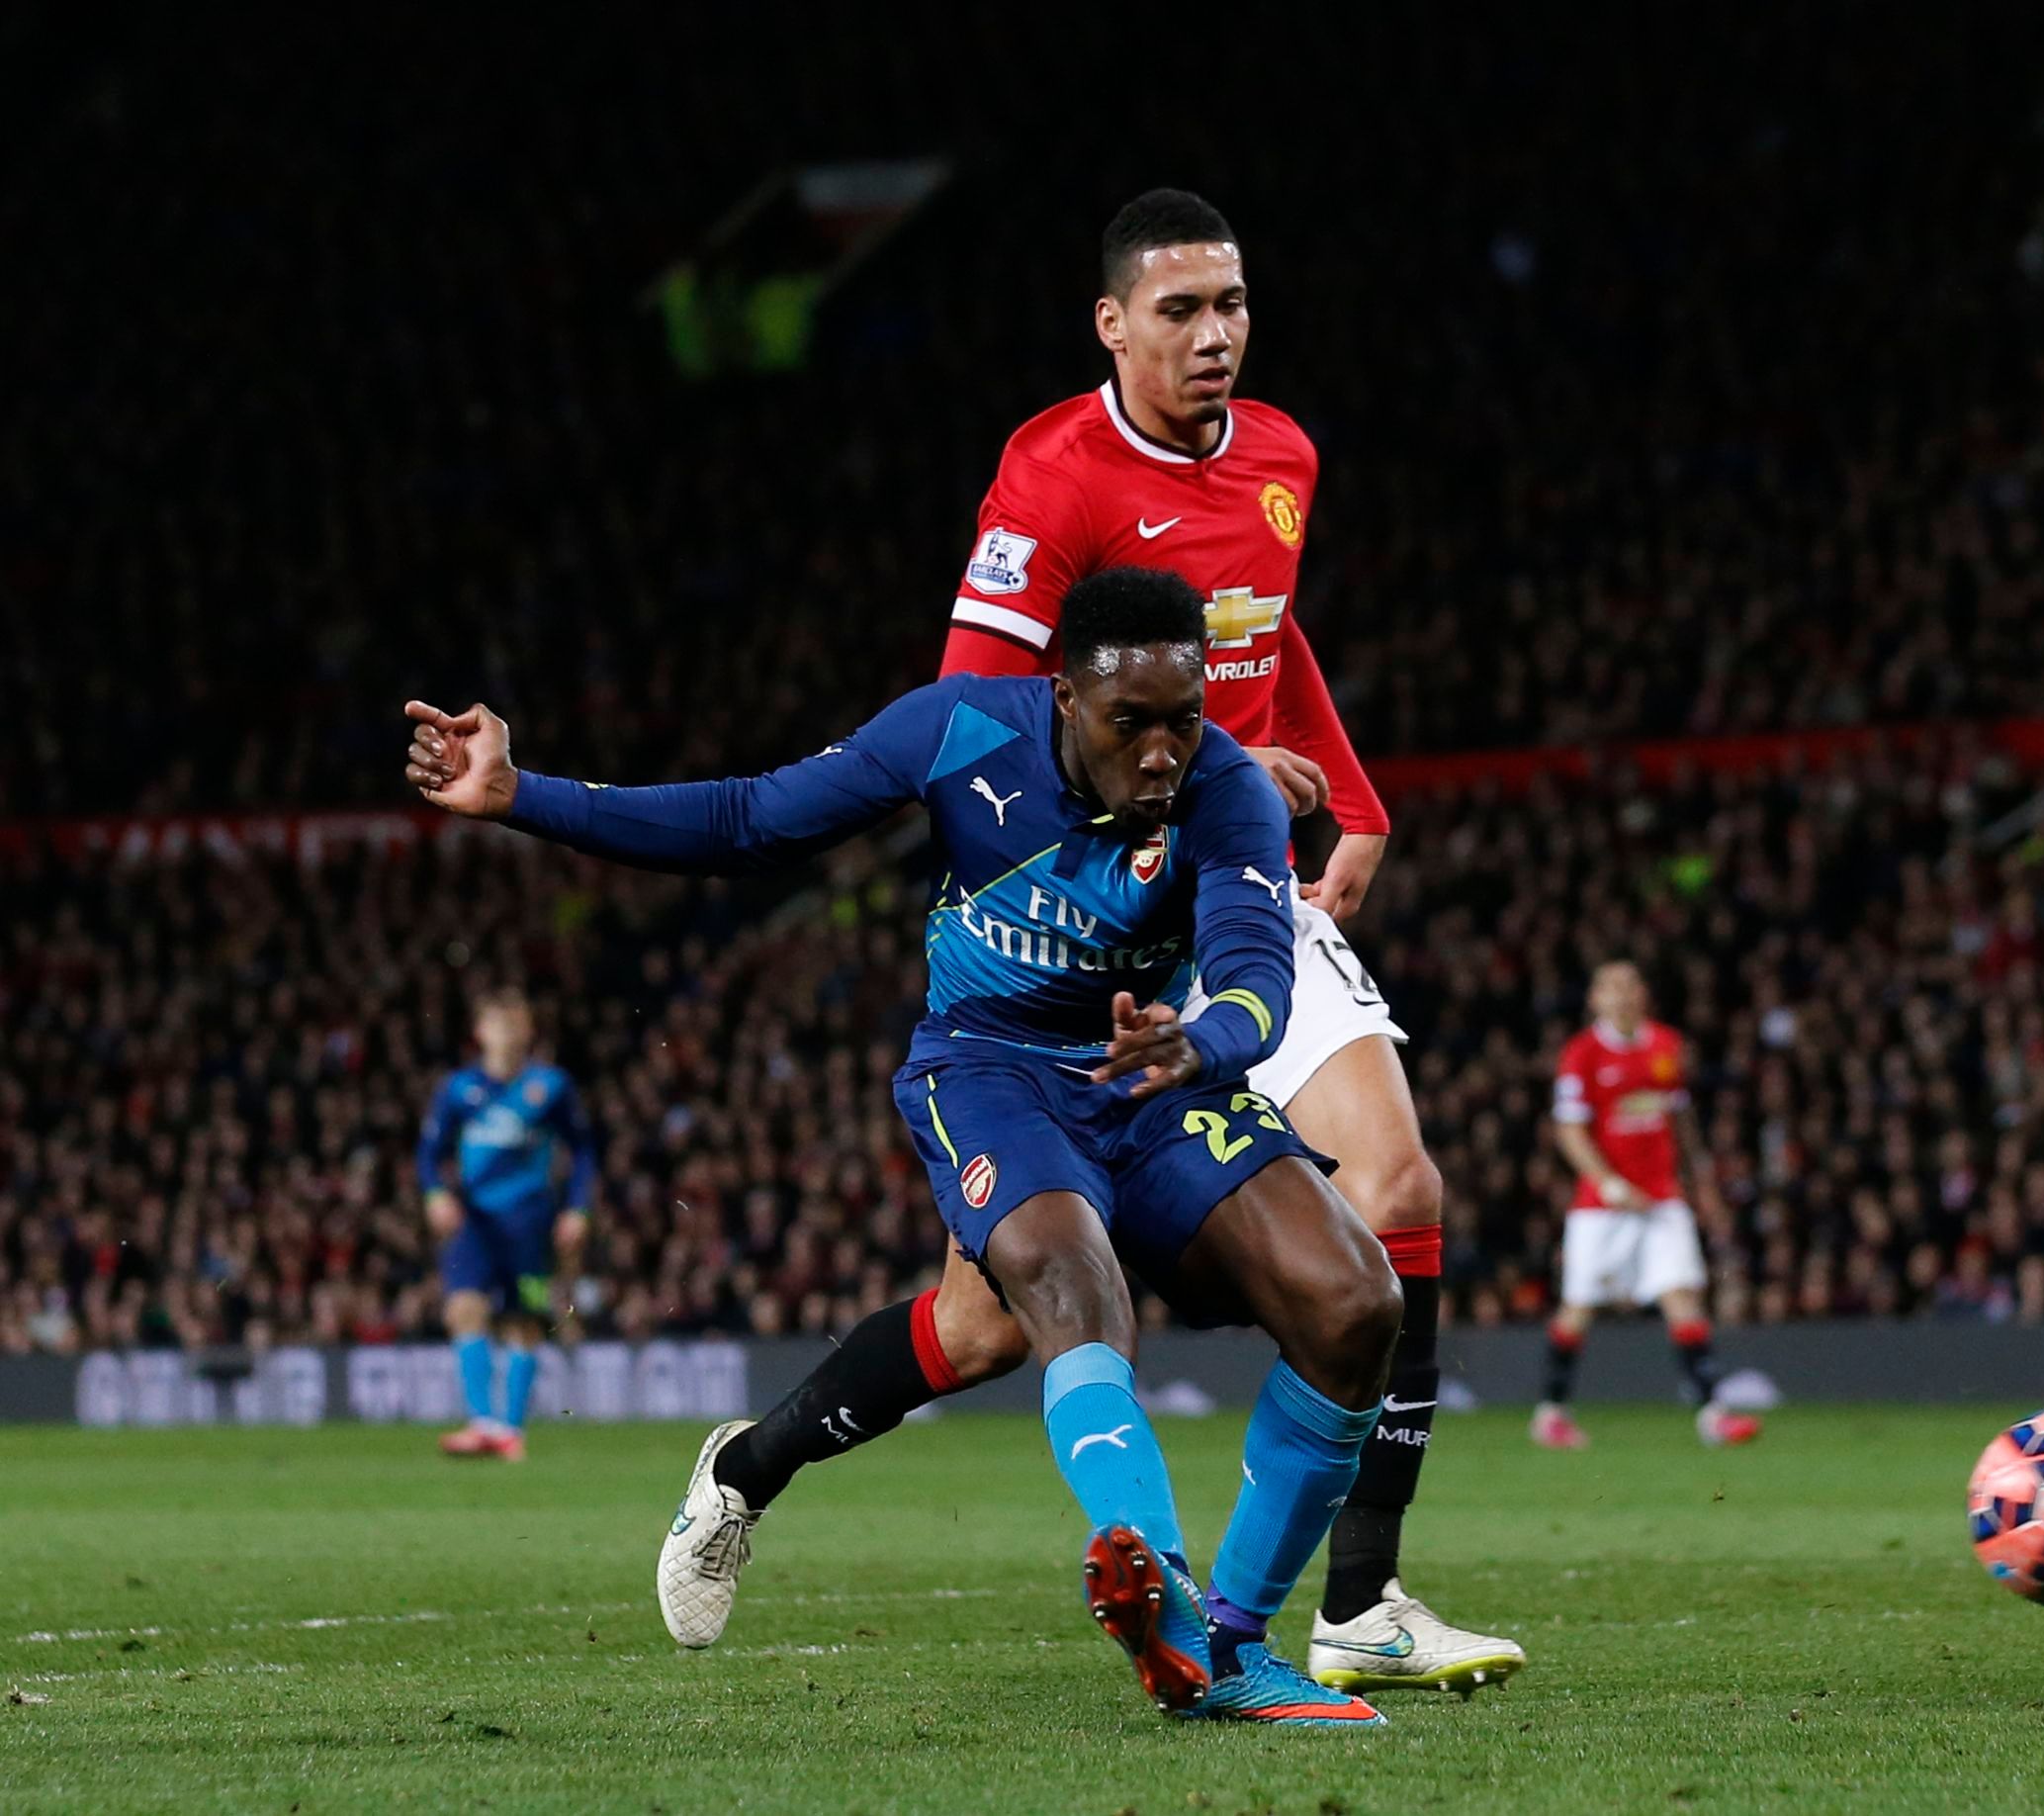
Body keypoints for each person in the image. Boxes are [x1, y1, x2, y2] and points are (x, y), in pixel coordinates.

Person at [748, 186, 1513, 1694]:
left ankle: (1360, 1599)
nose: (1215, 334)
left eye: (1232, 304)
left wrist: (1346, 794)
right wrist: (1135, 834)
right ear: (1112, 324)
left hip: (1235, 887)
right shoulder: (1051, 477)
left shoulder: (1283, 455)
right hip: (1097, 924)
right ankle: (751, 1463)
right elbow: (976, 718)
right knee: (983, 1328)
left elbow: (1267, 627)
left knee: (1402, 1186)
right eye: (1181, 310)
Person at [403, 569, 1396, 1726]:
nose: (1162, 753)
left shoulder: (1228, 791)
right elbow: (748, 820)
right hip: (991, 1068)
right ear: (1065, 698)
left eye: (1183, 719)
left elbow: (1258, 980)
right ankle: (1167, 1598)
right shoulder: (959, 728)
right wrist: (519, 792)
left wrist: (1199, 1042)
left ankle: (1221, 1639)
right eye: (1131, 723)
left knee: (1350, 1302)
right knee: (1069, 1279)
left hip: (1159, 1067)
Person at [1531, 960, 1760, 1450]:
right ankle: (1551, 1413)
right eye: (1610, 987)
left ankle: (1712, 1414)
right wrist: (1610, 1185)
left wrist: (1703, 1185)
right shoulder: (1582, 1054)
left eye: (1630, 986)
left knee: (1682, 1297)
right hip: (1602, 1206)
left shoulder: (1667, 1046)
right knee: (1579, 1306)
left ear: (1643, 994)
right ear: (1595, 999)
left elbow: (1681, 1122)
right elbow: (1569, 1131)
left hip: (1661, 1198)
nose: (1622, 995)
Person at [415, 990, 596, 1462]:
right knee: (463, 1308)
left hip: (531, 1220)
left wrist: (577, 1208)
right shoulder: (459, 1089)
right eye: (498, 1023)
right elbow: (430, 1153)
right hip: (475, 1220)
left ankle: (510, 1430)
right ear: (480, 1032)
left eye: (515, 1023)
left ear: (529, 1030)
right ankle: (483, 1423)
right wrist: (436, 1195)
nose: (508, 1033)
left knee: (524, 1321)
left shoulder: (549, 1086)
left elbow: (582, 1150)